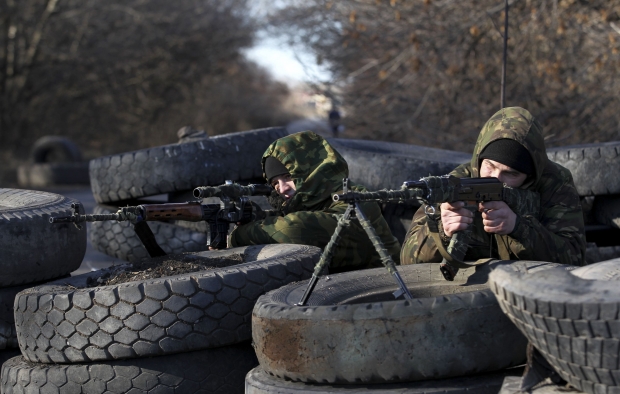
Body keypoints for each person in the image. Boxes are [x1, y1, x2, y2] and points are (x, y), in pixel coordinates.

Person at [400, 107, 586, 266]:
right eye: (490, 166)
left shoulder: (554, 183)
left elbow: (574, 259)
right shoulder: (457, 182)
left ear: (530, 176)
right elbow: (407, 261)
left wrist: (518, 228)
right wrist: (442, 232)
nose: (496, 178)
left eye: (511, 173)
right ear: (479, 159)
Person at [228, 131, 401, 273]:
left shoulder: (356, 199)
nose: (282, 189)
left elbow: (296, 229)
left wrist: (238, 236)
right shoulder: (308, 205)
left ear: (313, 171)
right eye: (275, 183)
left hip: (389, 292)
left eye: (288, 177)